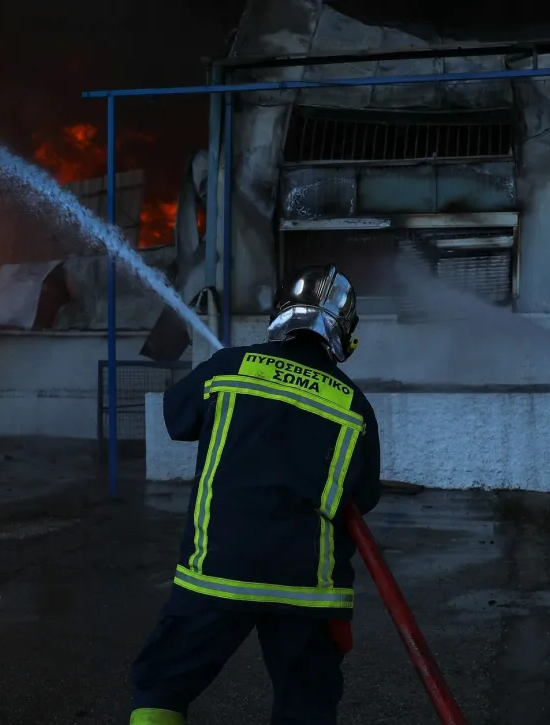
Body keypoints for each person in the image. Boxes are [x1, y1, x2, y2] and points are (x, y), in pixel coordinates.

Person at [128, 264, 383, 725]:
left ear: (282, 314)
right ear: (346, 334)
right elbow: (362, 498)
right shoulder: (354, 405)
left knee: (161, 683)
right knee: (307, 705)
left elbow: (176, 420)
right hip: (309, 587)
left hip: (218, 570)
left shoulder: (229, 367)